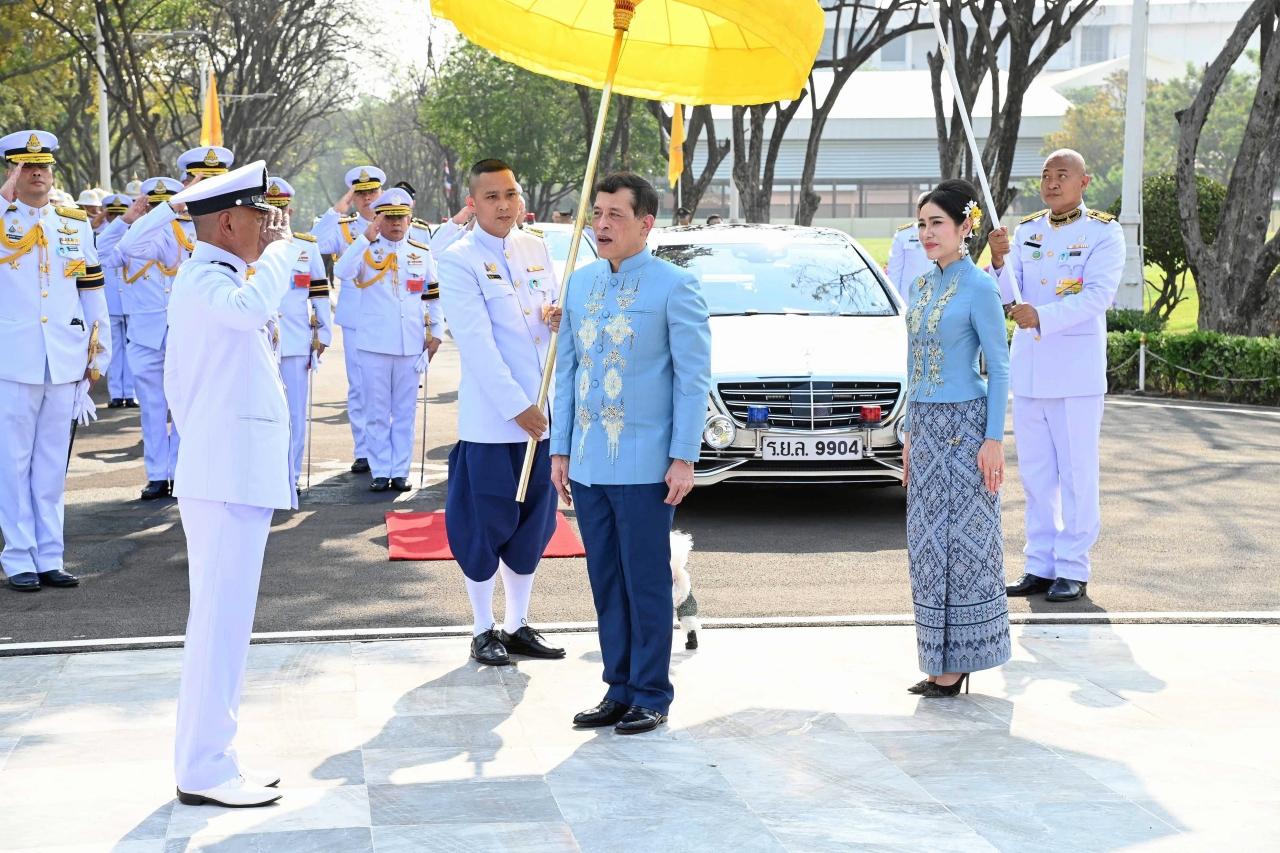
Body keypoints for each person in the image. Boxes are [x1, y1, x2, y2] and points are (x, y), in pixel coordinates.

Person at [551, 172, 711, 734]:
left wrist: (684, 456)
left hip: (647, 462)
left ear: (646, 223)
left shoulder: (674, 286)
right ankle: (617, 689)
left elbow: (693, 379)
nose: (601, 225)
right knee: (605, 578)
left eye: (615, 215)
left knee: (645, 579)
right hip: (590, 461)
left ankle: (651, 692)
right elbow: (567, 371)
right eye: (596, 213)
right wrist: (561, 448)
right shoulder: (579, 284)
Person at [164, 160, 298, 808]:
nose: (267, 227)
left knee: (224, 625)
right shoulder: (208, 282)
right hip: (223, 477)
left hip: (230, 475)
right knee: (217, 624)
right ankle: (204, 766)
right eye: (258, 216)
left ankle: (214, 755)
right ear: (228, 221)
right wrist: (283, 253)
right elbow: (249, 312)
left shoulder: (214, 280)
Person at [437, 158, 566, 667]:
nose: (504, 205)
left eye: (510, 194)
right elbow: (476, 343)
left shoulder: (536, 248)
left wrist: (557, 317)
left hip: (542, 415)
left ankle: (517, 624)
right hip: (495, 421)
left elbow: (549, 315)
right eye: (491, 196)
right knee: (484, 521)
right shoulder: (459, 258)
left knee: (534, 523)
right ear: (474, 202)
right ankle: (481, 627)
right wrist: (518, 407)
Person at [988, 150, 1124, 603]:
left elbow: (1098, 298)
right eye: (1046, 175)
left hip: (1075, 376)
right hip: (1029, 373)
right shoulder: (1027, 231)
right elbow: (1008, 297)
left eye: (1061, 175)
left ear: (1084, 181)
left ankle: (1073, 567)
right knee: (1036, 476)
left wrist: (1040, 316)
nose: (1051, 182)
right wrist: (999, 263)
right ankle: (1040, 564)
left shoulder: (1104, 232)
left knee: (1076, 474)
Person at [901, 178, 1011, 698]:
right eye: (921, 224)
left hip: (966, 429)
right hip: (924, 431)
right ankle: (935, 659)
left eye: (936, 223)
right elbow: (910, 364)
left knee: (965, 547)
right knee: (926, 548)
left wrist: (993, 439)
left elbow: (1001, 368)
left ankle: (960, 661)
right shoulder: (921, 287)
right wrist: (907, 433)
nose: (926, 233)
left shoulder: (980, 287)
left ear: (966, 227)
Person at [0, 130, 112, 593]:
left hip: (63, 359)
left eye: (43, 165)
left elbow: (91, 291)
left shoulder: (73, 223)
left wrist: (98, 352)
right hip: (13, 360)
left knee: (50, 465)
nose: (38, 173)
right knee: (12, 463)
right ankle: (17, 557)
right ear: (13, 172)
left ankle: (50, 556)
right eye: (27, 167)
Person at [333, 187, 443, 491]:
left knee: (405, 411)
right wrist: (365, 238)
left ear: (409, 220)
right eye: (389, 218)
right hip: (374, 345)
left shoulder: (421, 254)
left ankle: (400, 471)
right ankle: (380, 470)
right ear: (379, 220)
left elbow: (433, 297)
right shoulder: (366, 250)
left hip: (410, 344)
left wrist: (436, 334)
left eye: (401, 218)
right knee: (377, 410)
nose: (395, 224)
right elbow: (342, 271)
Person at [101, 177, 185, 499]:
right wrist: (124, 220)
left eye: (165, 205)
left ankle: (179, 472)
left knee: (182, 408)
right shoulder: (131, 238)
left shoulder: (189, 234)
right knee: (151, 407)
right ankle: (157, 476)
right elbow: (102, 254)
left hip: (181, 334)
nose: (156, 211)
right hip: (144, 337)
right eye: (152, 205)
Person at [313, 165, 385, 475]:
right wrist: (337, 208)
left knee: (387, 387)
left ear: (381, 193)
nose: (367, 199)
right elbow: (313, 245)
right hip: (356, 318)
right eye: (361, 194)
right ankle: (364, 451)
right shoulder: (344, 229)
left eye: (372, 193)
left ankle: (387, 449)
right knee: (359, 387)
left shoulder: (398, 224)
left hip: (389, 319)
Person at [264, 178, 333, 494]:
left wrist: (323, 335)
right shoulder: (249, 246)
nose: (275, 216)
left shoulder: (306, 246)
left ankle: (289, 478)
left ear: (289, 210)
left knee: (294, 413)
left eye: (280, 210)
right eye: (269, 210)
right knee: (261, 413)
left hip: (294, 340)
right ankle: (265, 476)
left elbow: (319, 293)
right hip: (258, 343)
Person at [98, 193, 137, 408]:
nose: (115, 219)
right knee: (113, 350)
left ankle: (130, 393)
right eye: (112, 214)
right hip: (110, 302)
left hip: (130, 301)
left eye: (119, 214)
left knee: (131, 349)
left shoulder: (134, 234)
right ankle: (116, 393)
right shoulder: (102, 236)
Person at [885, 194, 932, 301]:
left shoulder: (944, 234)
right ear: (918, 210)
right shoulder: (903, 234)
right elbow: (894, 271)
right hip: (908, 300)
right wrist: (894, 301)